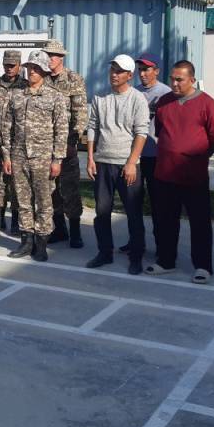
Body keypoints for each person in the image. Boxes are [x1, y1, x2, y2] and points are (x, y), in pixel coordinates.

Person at [148, 60, 214, 284]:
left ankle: (203, 266)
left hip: (194, 176)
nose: (174, 83)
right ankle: (166, 261)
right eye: (172, 79)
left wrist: (198, 156)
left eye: (179, 79)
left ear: (192, 79)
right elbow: (160, 132)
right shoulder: (164, 102)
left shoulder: (207, 104)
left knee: (199, 223)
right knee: (165, 220)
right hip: (165, 174)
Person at [85, 55, 150, 275]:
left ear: (129, 75)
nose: (114, 74)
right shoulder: (100, 97)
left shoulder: (137, 99)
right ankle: (105, 252)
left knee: (133, 213)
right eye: (112, 69)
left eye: (119, 71)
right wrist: (91, 158)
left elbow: (141, 132)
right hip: (103, 163)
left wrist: (131, 163)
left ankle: (136, 256)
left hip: (126, 165)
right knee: (102, 211)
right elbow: (92, 126)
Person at [2, 50, 69, 262]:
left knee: (44, 202)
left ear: (45, 71)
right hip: (19, 156)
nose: (32, 71)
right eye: (30, 67)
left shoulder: (55, 96)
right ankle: (26, 240)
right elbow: (6, 127)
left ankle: (41, 243)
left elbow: (61, 130)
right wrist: (7, 156)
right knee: (23, 201)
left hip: (43, 158)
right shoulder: (15, 95)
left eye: (37, 68)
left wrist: (57, 159)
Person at [44, 38, 88, 248]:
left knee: (70, 189)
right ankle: (60, 229)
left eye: (53, 55)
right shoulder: (41, 79)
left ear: (61, 57)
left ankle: (76, 231)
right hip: (45, 144)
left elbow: (80, 113)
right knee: (51, 190)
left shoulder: (73, 79)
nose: (50, 59)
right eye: (47, 55)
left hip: (67, 144)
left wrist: (74, 140)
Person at [129, 54, 171, 253]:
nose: (143, 74)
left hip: (156, 157)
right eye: (140, 70)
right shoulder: (134, 92)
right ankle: (136, 242)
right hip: (135, 158)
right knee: (133, 202)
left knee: (158, 204)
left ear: (156, 71)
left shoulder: (166, 93)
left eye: (147, 69)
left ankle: (162, 246)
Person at [0, 50, 24, 234]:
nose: (9, 68)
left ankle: (15, 219)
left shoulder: (25, 86)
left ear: (19, 65)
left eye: (12, 65)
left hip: (17, 145)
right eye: (6, 65)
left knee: (16, 183)